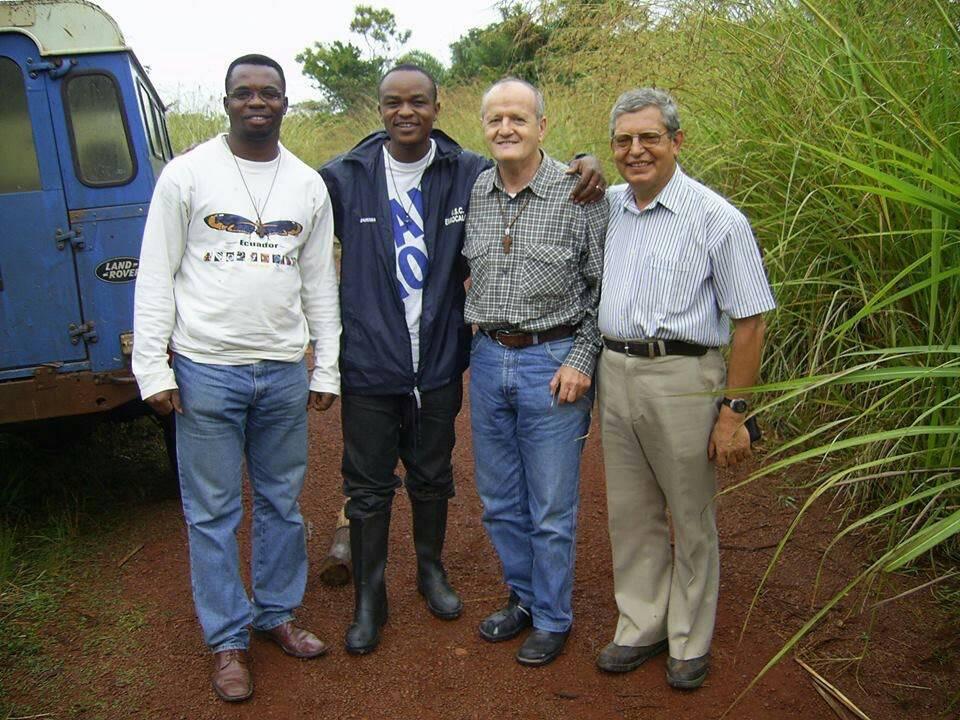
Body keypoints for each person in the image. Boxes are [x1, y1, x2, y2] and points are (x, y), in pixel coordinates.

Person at [318, 65, 605, 655]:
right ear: (379, 110)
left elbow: (602, 279)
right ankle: (384, 600)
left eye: (418, 102)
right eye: (393, 102)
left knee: (465, 485)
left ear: (437, 108)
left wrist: (587, 158)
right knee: (432, 493)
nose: (406, 113)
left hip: (478, 360)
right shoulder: (354, 179)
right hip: (412, 361)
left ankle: (478, 590)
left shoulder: (483, 176)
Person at [132, 54, 340, 702]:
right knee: (213, 512)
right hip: (204, 371)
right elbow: (154, 274)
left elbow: (319, 285)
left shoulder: (307, 185)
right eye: (244, 92)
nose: (257, 101)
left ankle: (277, 614)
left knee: (281, 502)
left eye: (269, 92)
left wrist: (326, 362)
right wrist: (150, 367)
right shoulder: (187, 175)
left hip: (282, 372)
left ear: (285, 102)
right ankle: (228, 639)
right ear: (226, 101)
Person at [594, 88, 775, 690]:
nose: (635, 150)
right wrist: (583, 162)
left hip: (684, 376)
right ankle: (641, 623)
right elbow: (566, 174)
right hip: (615, 371)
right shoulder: (610, 206)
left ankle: (689, 638)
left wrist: (735, 412)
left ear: (677, 141)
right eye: (623, 140)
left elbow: (750, 321)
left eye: (649, 137)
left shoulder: (717, 218)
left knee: (690, 512)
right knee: (631, 509)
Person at [463, 77, 608, 667]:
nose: (506, 129)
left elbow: (606, 290)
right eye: (496, 119)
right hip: (488, 355)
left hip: (554, 363)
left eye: (518, 119)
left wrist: (581, 358)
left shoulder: (580, 194)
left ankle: (552, 617)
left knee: (551, 505)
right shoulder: (475, 192)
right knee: (499, 499)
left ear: (542, 127)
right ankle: (522, 598)